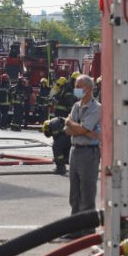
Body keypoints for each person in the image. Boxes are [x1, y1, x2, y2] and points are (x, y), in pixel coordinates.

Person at [64, 75, 102, 237]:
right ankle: (75, 230)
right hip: (75, 150)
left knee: (87, 194)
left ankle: (87, 232)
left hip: (89, 153)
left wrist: (69, 122)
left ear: (88, 88)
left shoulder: (96, 108)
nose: (76, 88)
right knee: (74, 194)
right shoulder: (76, 106)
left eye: (79, 86)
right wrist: (83, 129)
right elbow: (68, 131)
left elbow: (76, 129)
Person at [49, 75, 78, 175]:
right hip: (63, 116)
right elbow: (70, 104)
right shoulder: (69, 90)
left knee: (59, 144)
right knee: (58, 143)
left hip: (62, 117)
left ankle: (62, 165)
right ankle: (62, 165)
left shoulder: (67, 88)